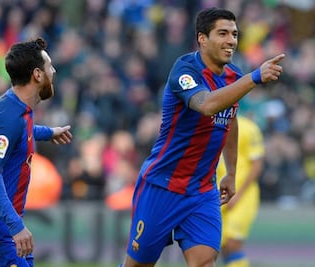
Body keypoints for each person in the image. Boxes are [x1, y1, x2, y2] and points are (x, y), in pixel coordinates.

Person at [120, 7, 284, 267]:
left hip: (202, 189)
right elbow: (207, 105)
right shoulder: (184, 70)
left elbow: (229, 119)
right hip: (162, 185)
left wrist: (231, 171)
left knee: (204, 262)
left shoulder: (233, 77)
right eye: (223, 33)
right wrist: (254, 77)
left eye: (234, 34)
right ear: (202, 38)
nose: (231, 40)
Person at [0, 37, 73, 267]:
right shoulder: (9, 117)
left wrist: (48, 132)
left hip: (4, 231)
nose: (53, 72)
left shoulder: (16, 107)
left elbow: (20, 132)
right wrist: (16, 227)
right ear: (37, 74)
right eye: (49, 67)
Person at [216, 116, 264, 267]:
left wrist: (239, 195)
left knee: (233, 242)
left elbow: (257, 164)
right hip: (218, 195)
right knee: (222, 245)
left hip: (242, 195)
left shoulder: (248, 128)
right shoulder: (211, 126)